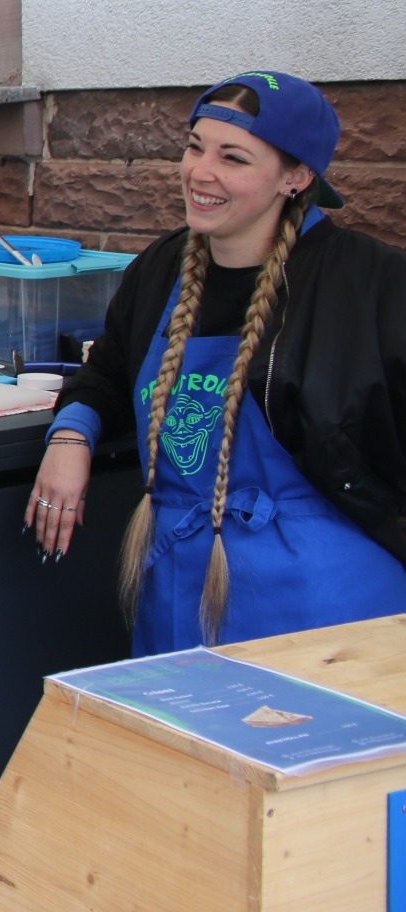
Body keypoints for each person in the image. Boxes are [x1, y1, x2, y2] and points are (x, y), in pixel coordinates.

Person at [29, 71, 406, 655]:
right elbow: (109, 369)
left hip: (323, 608)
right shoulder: (163, 267)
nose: (200, 172)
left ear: (297, 177)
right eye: (195, 147)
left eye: (233, 157)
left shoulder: (371, 284)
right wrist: (71, 438)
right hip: (178, 588)